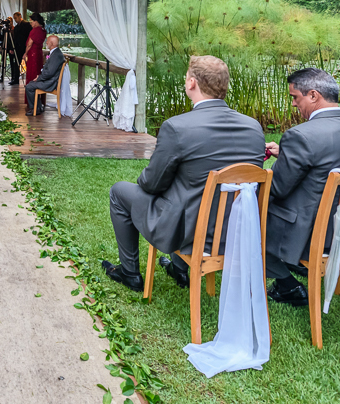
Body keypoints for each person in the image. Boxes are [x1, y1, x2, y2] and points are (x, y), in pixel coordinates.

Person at [103, 56, 265, 292]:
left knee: (120, 191)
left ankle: (130, 274)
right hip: (238, 231)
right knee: (189, 193)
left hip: (189, 230)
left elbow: (151, 184)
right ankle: (178, 268)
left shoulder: (177, 127)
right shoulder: (253, 127)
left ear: (191, 83)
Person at [263, 68, 340, 306]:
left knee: (244, 215)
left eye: (295, 97)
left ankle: (288, 284)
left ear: (313, 95)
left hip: (311, 234)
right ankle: (298, 266)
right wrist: (287, 156)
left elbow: (277, 188)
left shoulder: (301, 135)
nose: (294, 104)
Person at [25, 35, 64, 112]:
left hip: (51, 83)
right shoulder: (56, 53)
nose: (46, 42)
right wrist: (39, 77)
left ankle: (35, 109)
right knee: (31, 83)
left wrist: (39, 78)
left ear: (52, 43)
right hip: (50, 80)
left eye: (47, 41)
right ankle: (38, 107)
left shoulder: (56, 55)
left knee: (29, 87)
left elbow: (50, 72)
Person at [24, 13, 46, 83]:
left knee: (32, 71)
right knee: (38, 70)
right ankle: (38, 87)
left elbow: (29, 44)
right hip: (39, 53)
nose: (30, 23)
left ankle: (31, 87)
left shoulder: (35, 30)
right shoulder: (43, 30)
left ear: (35, 21)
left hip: (33, 54)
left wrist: (25, 53)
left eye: (31, 21)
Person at [10, 12, 30, 86]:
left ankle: (29, 79)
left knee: (28, 63)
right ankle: (16, 79)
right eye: (14, 18)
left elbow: (29, 36)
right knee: (16, 63)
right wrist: (13, 48)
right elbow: (14, 39)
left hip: (25, 47)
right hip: (18, 48)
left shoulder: (27, 25)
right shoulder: (16, 27)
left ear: (20, 16)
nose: (15, 20)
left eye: (16, 18)